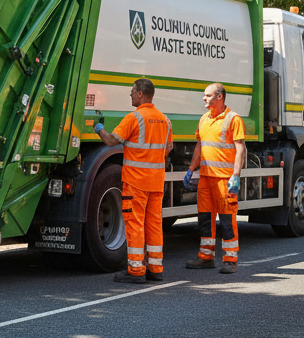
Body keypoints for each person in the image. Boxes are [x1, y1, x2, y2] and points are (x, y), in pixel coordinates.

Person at [94, 78, 171, 283]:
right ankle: (155, 268)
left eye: (132, 91)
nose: (130, 94)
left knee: (135, 224)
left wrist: (99, 128)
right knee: (154, 224)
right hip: (156, 182)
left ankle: (136, 270)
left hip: (136, 182)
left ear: (140, 94)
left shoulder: (134, 118)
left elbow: (111, 141)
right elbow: (168, 149)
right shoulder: (165, 120)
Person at [185, 82, 245, 273]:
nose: (204, 98)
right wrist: (191, 169)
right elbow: (199, 147)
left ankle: (230, 261)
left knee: (227, 220)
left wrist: (236, 175)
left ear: (220, 97)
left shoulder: (233, 119)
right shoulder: (203, 119)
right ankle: (206, 257)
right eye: (204, 95)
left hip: (224, 180)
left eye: (208, 95)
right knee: (204, 218)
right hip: (205, 178)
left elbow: (240, 148)